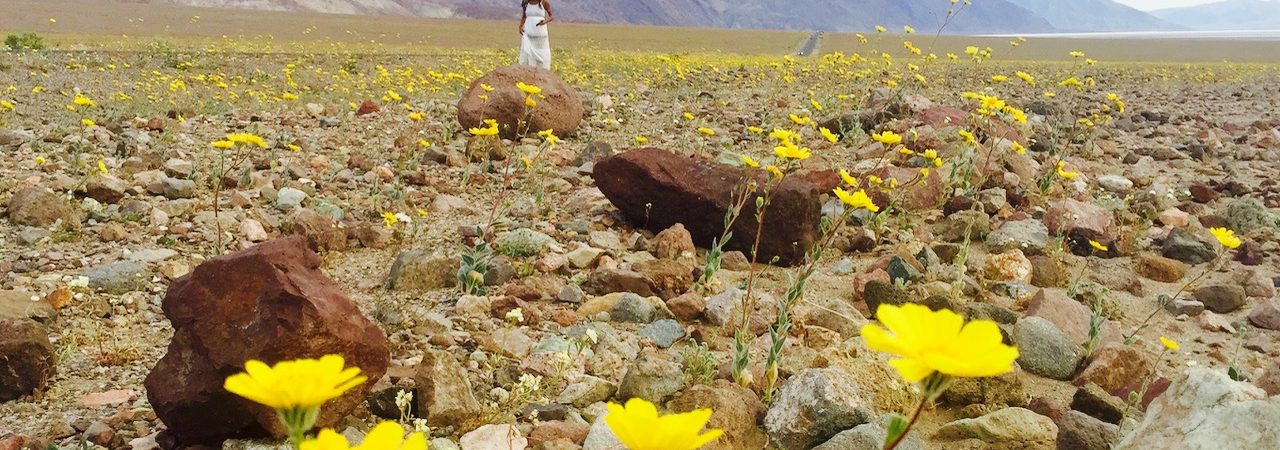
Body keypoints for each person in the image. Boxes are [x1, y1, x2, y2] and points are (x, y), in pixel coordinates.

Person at [518, 0, 554, 69]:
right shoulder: (526, 3)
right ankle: (527, 70)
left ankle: (543, 70)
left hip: (540, 34)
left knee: (541, 52)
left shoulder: (543, 2)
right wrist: (520, 26)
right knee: (527, 50)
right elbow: (524, 16)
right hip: (528, 32)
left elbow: (551, 16)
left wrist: (544, 21)